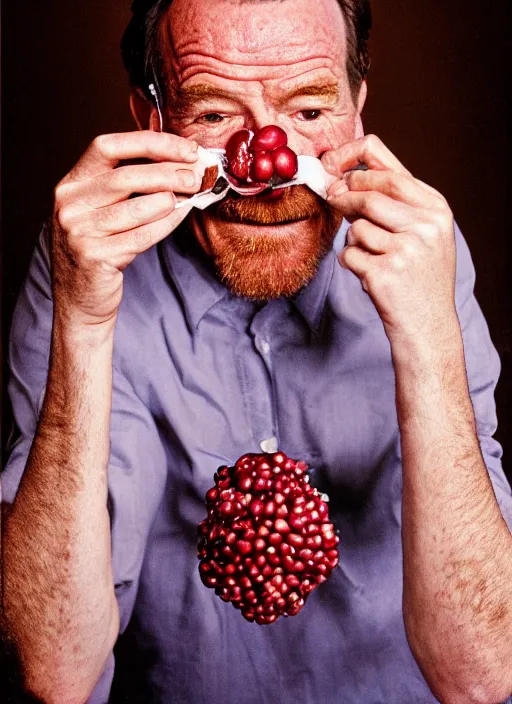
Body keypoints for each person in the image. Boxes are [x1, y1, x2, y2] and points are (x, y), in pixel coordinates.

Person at [2, 0, 512, 701]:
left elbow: (486, 676)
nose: (268, 165)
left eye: (309, 112)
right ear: (151, 122)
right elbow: (52, 674)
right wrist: (84, 324)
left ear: (358, 106)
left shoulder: (420, 256)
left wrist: (426, 341)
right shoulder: (86, 263)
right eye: (214, 115)